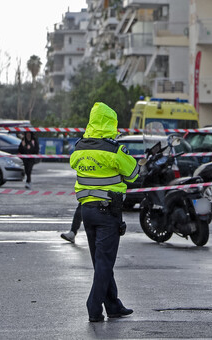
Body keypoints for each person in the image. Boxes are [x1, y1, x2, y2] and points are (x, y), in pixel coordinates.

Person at [70, 102, 139, 323]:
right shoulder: (114, 150)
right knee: (105, 262)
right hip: (108, 212)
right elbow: (134, 173)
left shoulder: (80, 147)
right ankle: (93, 305)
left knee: (100, 261)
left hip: (86, 212)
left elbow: (74, 164)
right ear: (111, 123)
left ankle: (113, 305)